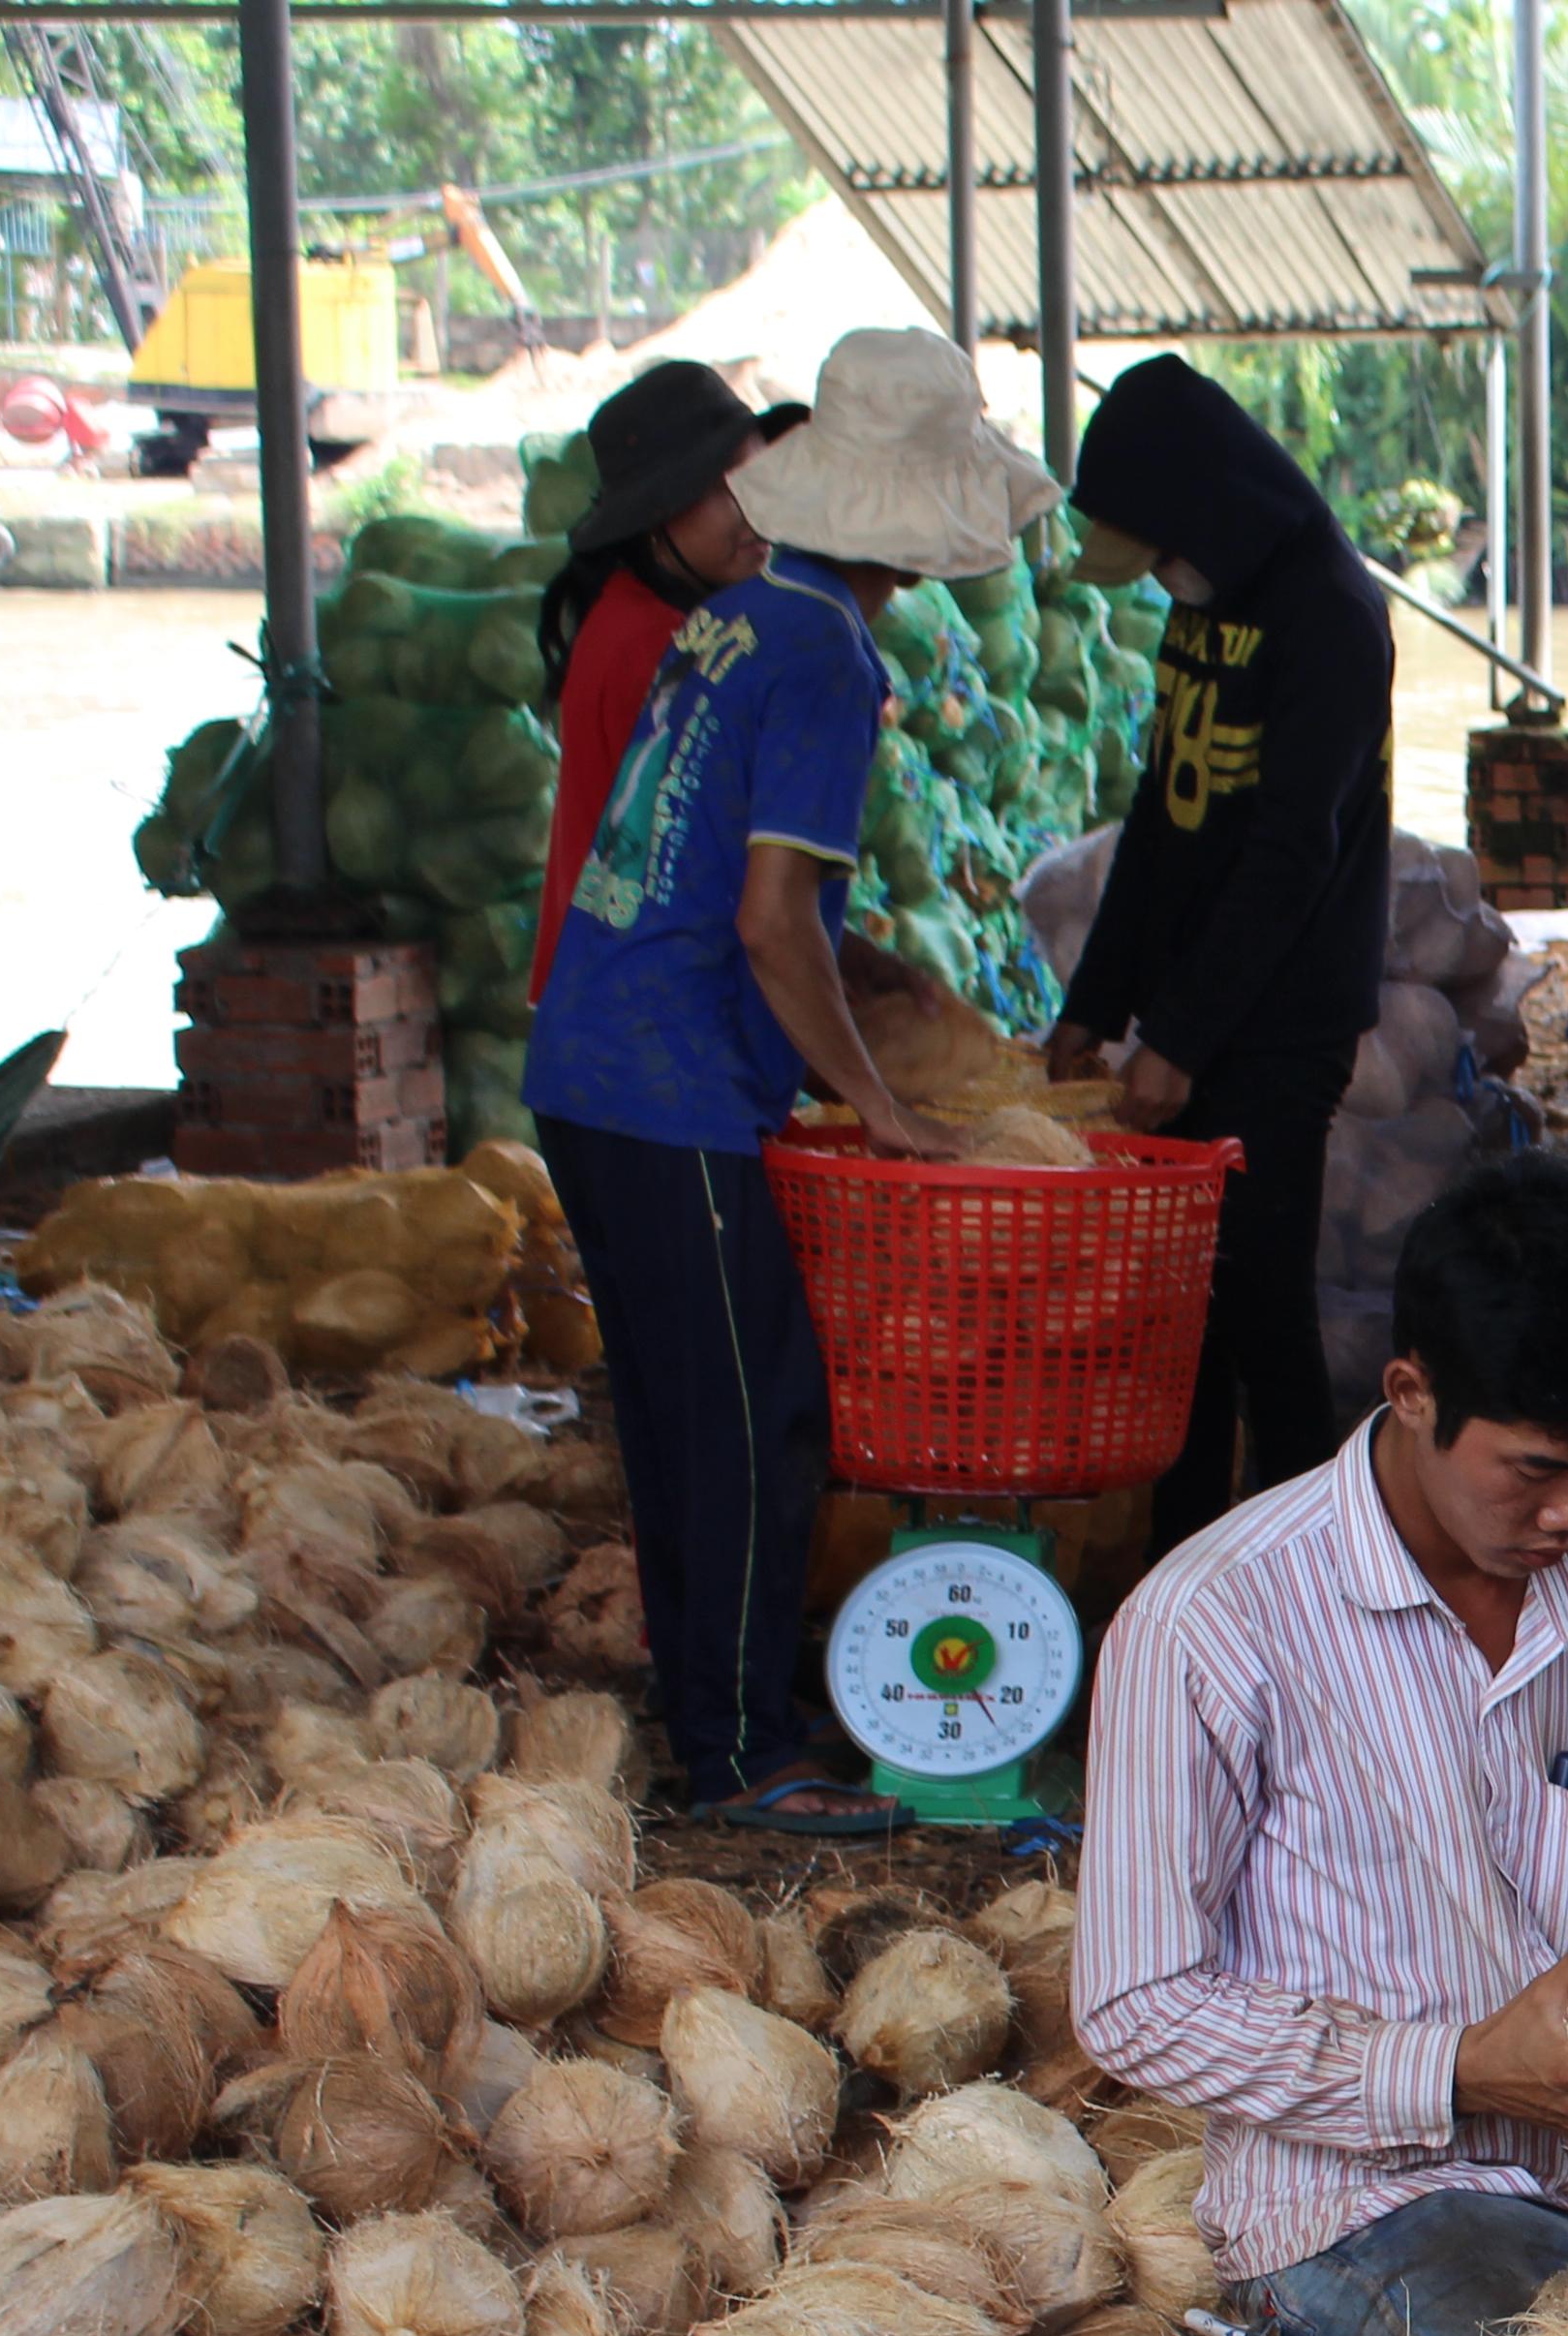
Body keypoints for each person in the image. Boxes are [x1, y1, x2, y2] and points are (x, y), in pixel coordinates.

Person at [1072, 1149, 1568, 2336]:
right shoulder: (1211, 1623)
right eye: (1533, 1468)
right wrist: (1453, 2069)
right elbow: (1136, 2005)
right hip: (1357, 2211)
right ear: (1411, 1393)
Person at [526, 327, 1057, 1835]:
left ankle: (713, 1713)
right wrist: (885, 1110)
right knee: (758, 1419)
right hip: (671, 1081)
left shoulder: (745, 615)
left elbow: (748, 891)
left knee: (686, 1410)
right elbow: (768, 921)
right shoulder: (827, 650)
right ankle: (746, 1752)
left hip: (593, 1062)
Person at [1040, 352, 1398, 1554]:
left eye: (1159, 552)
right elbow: (1162, 815)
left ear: (1204, 511)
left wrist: (1184, 1039)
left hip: (1281, 1022)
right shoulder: (1208, 605)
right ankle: (1184, 1574)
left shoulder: (1331, 618)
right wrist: (1100, 1003)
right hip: (1193, 1011)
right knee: (1174, 1325)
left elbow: (1295, 851)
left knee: (1259, 1315)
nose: (1160, 582)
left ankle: (1318, 1577)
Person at [529, 362, 804, 1003]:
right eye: (726, 490)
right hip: (631, 1021)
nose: (755, 512)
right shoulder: (659, 647)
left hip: (615, 1006)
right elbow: (720, 879)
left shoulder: (650, 621)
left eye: (760, 483)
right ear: (657, 514)